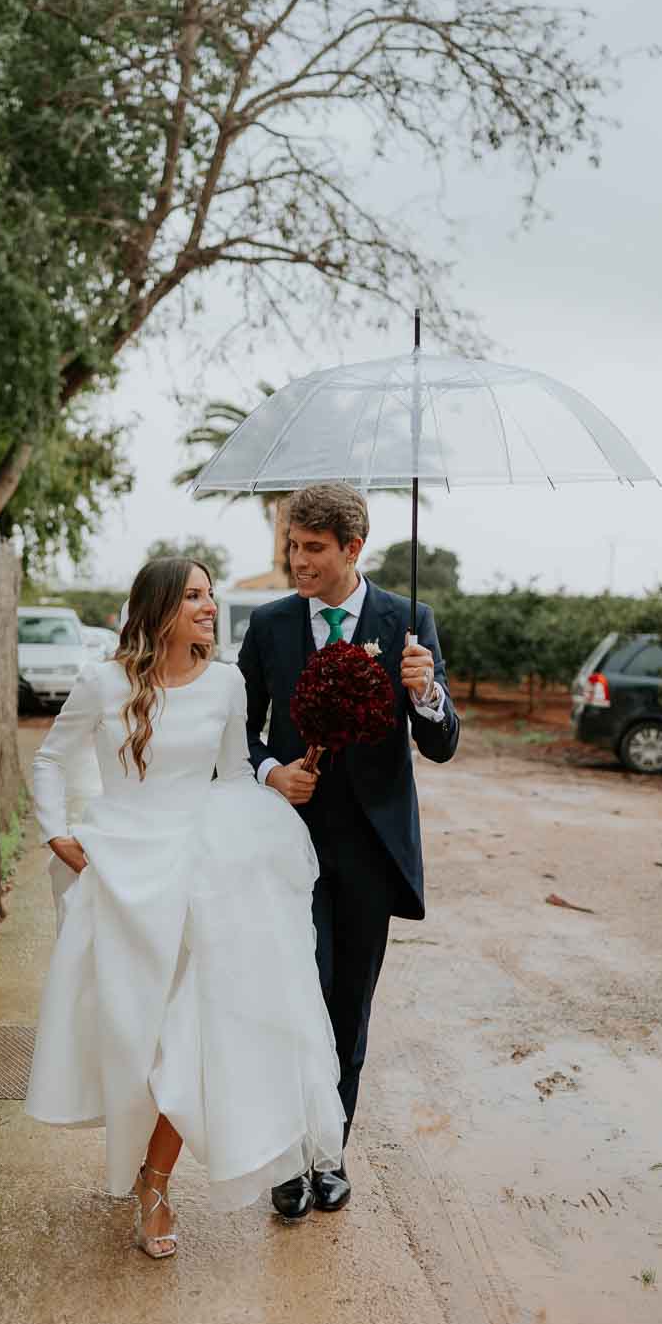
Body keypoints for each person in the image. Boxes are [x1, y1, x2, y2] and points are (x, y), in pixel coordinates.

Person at [25, 557, 345, 1257]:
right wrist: (56, 831)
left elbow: (232, 773)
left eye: (209, 595)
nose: (209, 607)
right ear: (161, 607)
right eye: (195, 596)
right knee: (132, 1035)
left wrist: (274, 792)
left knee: (192, 1034)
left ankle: (155, 1183)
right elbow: (50, 759)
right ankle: (134, 1165)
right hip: (120, 869)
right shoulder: (101, 683)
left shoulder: (227, 684)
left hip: (202, 870)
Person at [238, 483, 460, 1220]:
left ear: (350, 549)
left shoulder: (407, 620)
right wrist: (272, 772)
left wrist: (425, 693)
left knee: (345, 1010)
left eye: (311, 549)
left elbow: (441, 744)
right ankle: (284, 1159)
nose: (296, 561)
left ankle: (328, 1153)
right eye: (290, 547)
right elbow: (236, 730)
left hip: (369, 850)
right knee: (289, 1002)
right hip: (285, 844)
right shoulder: (269, 625)